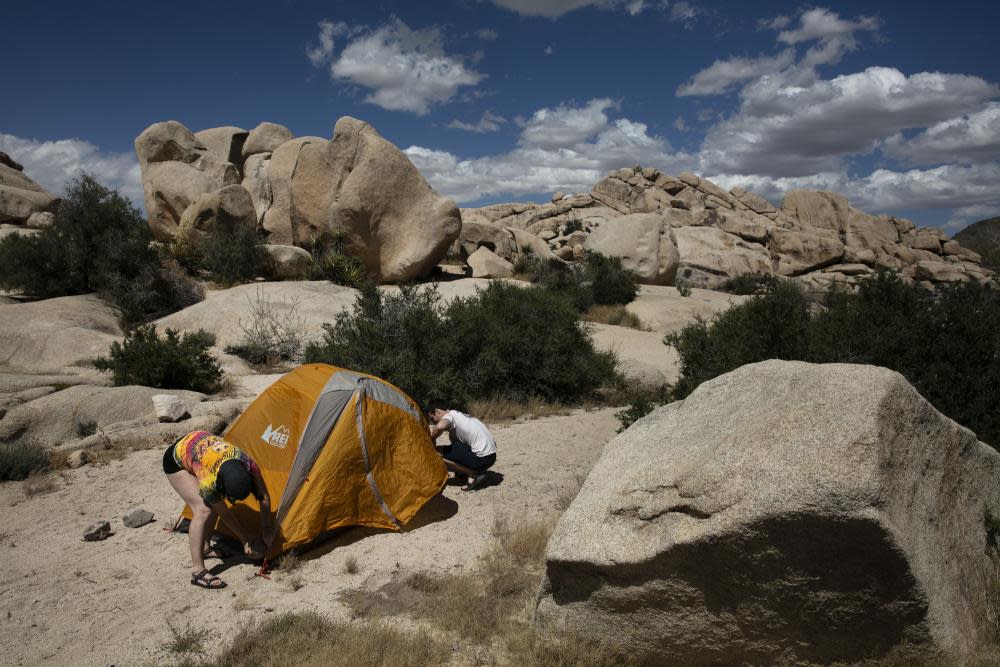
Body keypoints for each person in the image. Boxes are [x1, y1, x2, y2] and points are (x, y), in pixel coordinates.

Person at [162, 430, 275, 589]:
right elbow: (224, 512)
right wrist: (245, 539)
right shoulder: (208, 479)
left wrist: (267, 528)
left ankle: (206, 548)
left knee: (210, 506)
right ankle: (198, 572)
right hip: (175, 458)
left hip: (198, 445)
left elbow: (263, 496)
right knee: (203, 510)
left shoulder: (248, 463)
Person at [427, 404, 497, 491]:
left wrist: (432, 439)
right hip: (491, 456)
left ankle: (473, 474)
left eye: (432, 419)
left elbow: (440, 427)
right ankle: (463, 473)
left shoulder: (450, 416)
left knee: (435, 453)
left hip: (482, 459)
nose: (433, 422)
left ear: (437, 412)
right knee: (454, 445)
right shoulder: (462, 415)